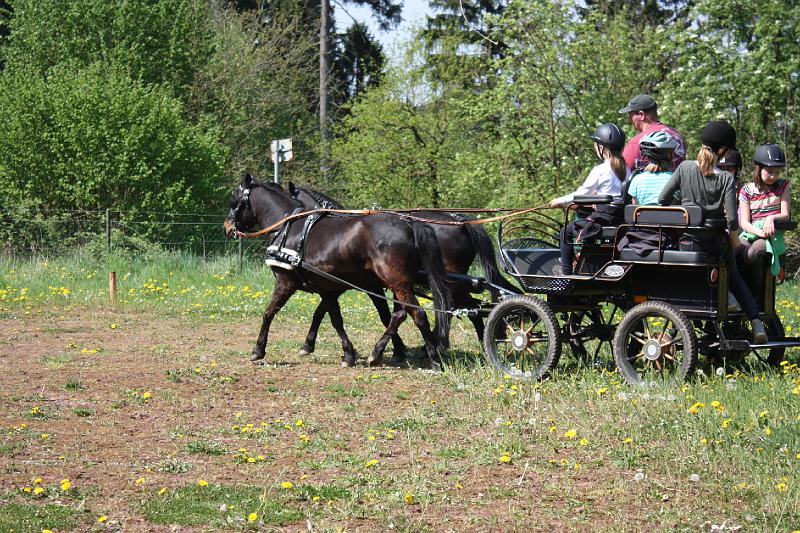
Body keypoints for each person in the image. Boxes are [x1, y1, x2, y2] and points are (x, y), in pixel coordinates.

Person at [658, 120, 767, 343]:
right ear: (723, 150)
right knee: (734, 275)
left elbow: (662, 199)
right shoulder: (726, 178)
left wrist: (683, 205)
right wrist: (734, 240)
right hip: (717, 244)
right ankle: (756, 324)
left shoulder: (685, 168)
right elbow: (732, 219)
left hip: (688, 243)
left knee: (688, 283)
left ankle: (672, 332)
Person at [551, 123, 629, 275]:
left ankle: (566, 272)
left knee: (564, 232)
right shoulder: (628, 169)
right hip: (619, 219)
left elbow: (582, 194)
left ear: (602, 148)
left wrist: (559, 201)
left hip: (603, 219)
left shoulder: (601, 170)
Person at [738, 144, 790, 273]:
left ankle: (755, 292)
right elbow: (744, 222)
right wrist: (759, 232)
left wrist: (770, 218)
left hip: (771, 236)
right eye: (770, 171)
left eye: (777, 172)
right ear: (758, 169)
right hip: (752, 232)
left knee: (752, 253)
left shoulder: (783, 187)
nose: (773, 176)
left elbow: (785, 214)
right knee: (732, 249)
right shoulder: (746, 191)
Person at [619, 94, 686, 172]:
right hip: (679, 183)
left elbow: (622, 173)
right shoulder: (677, 135)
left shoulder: (638, 141)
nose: (629, 119)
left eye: (631, 115)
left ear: (641, 115)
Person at [626, 131, 678, 205]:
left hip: (643, 217)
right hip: (670, 216)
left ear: (647, 156)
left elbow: (634, 209)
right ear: (670, 155)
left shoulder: (637, 180)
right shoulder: (675, 180)